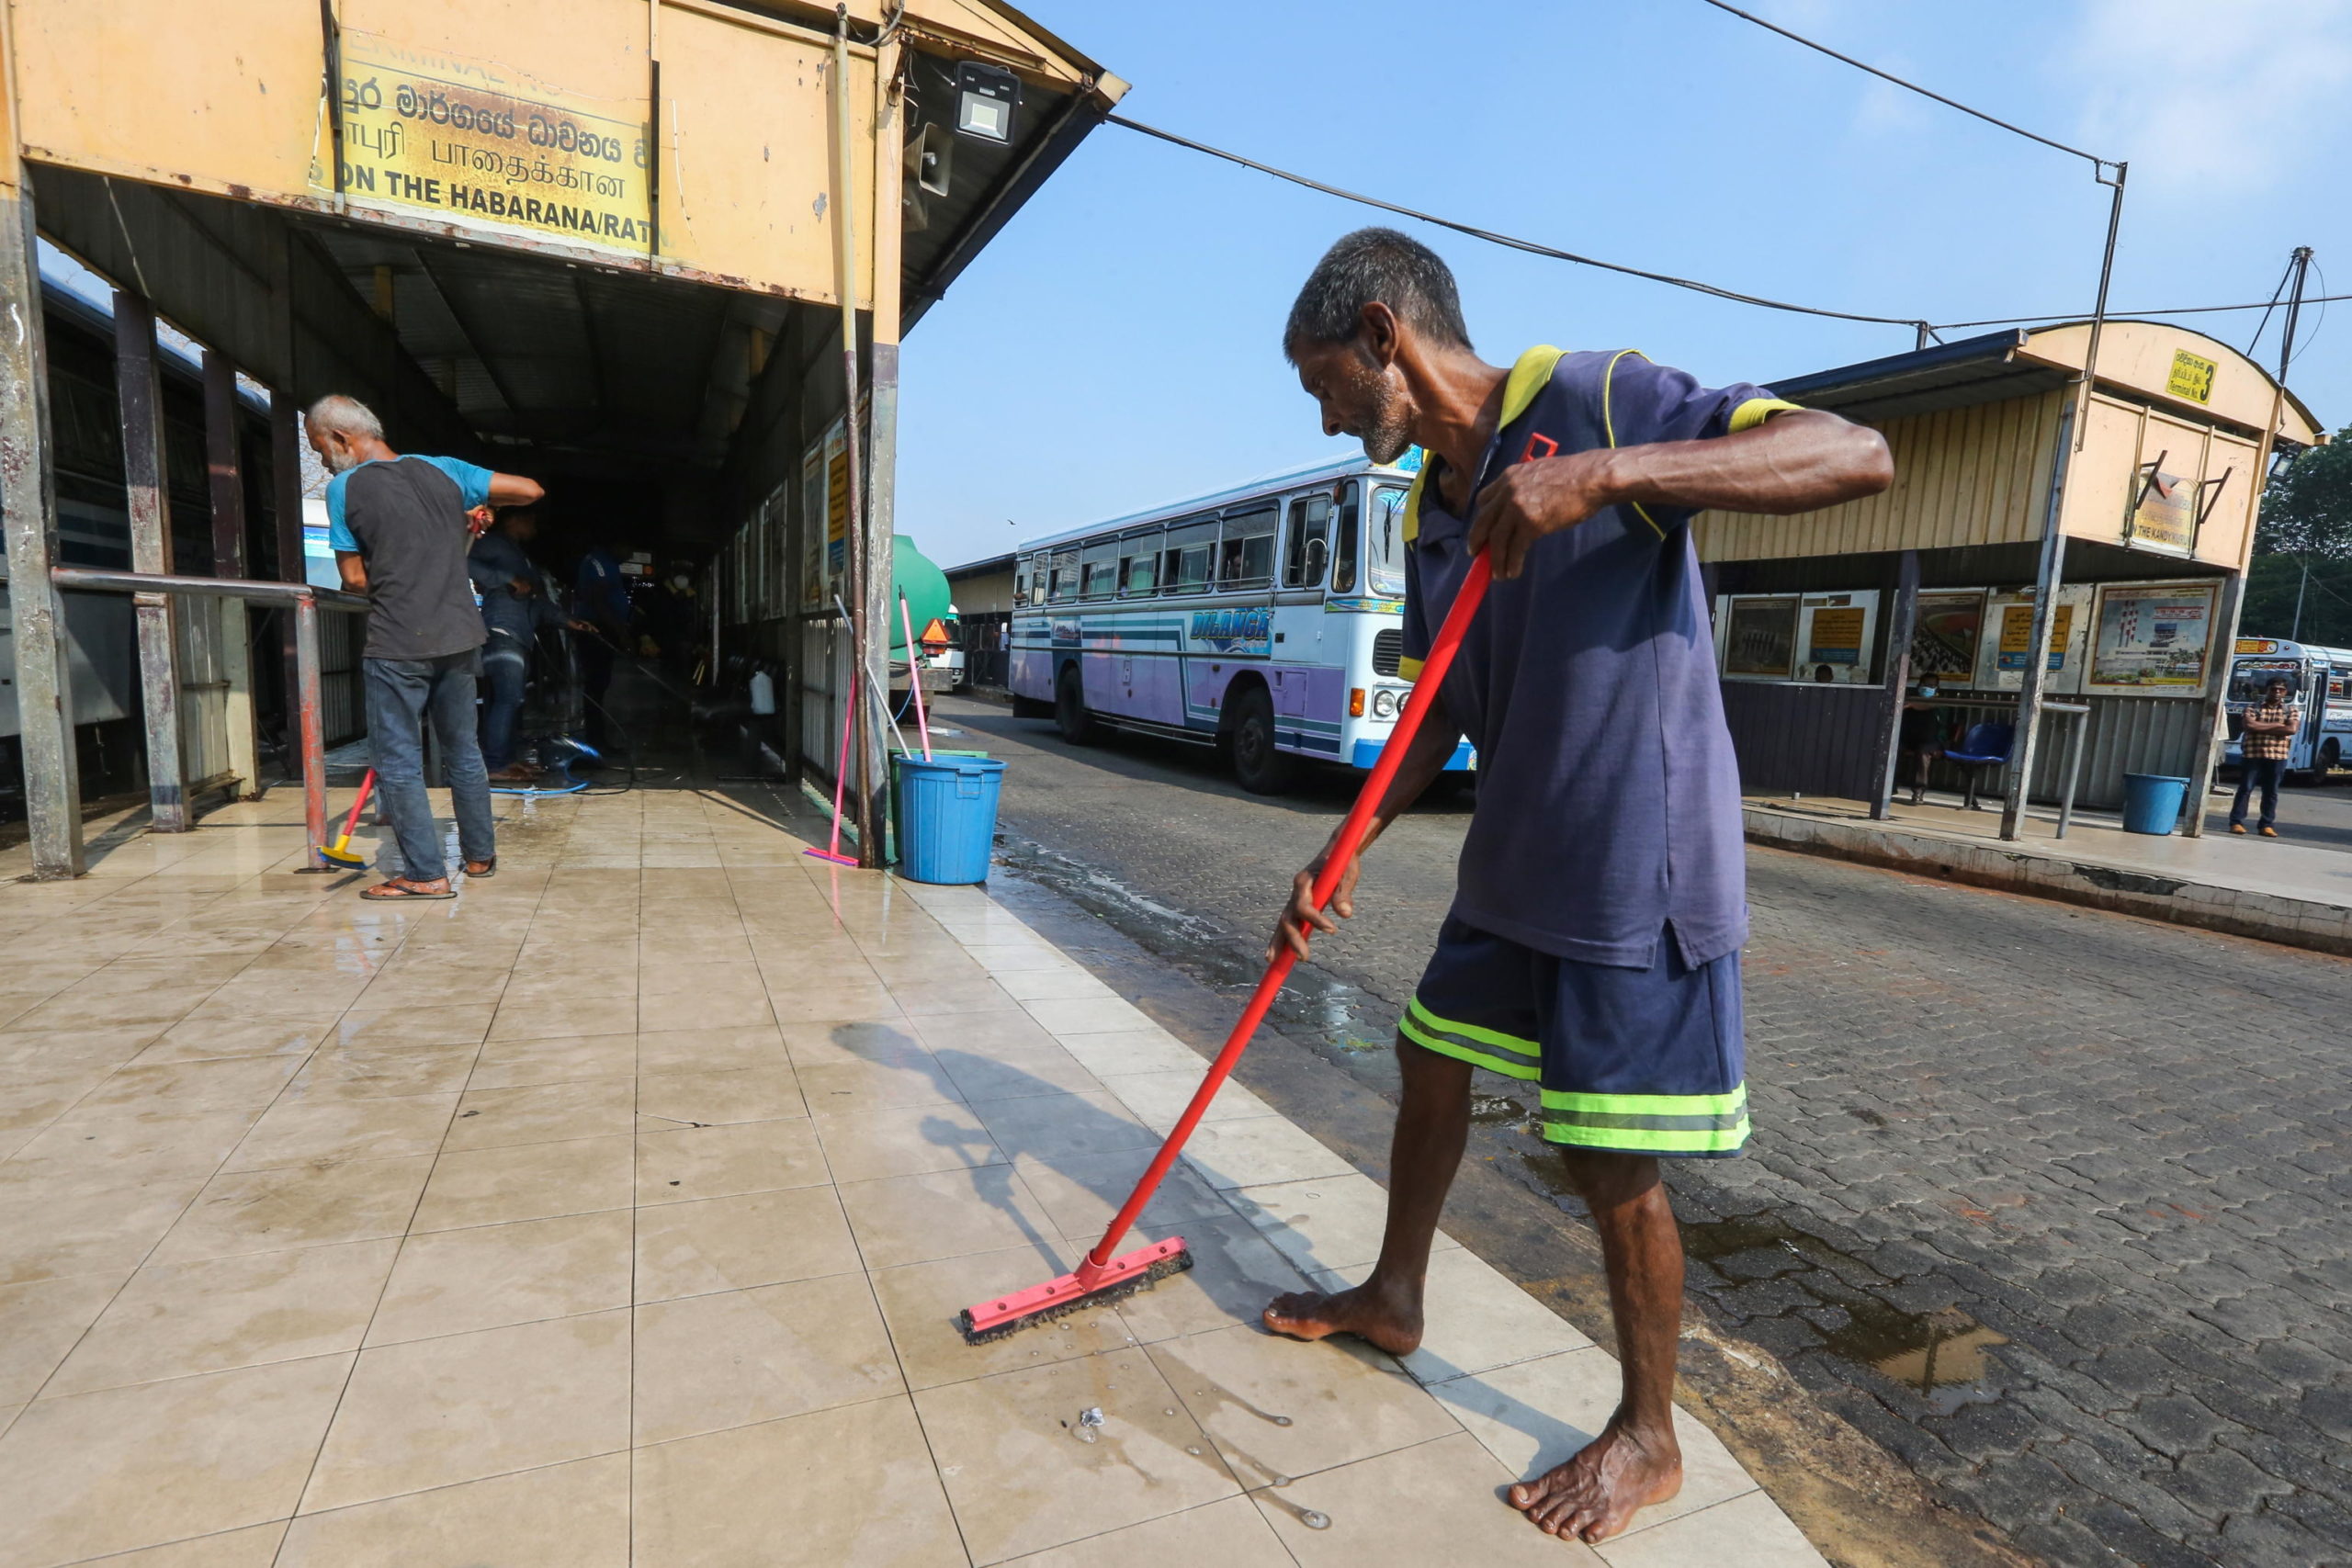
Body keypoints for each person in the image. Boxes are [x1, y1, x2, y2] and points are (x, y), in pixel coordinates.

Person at [1260, 230, 1892, 1545]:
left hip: (1632, 865)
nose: (1324, 415)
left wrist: (1605, 477)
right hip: (1514, 860)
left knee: (1606, 1152)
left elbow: (1855, 452)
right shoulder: (1434, 505)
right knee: (1429, 1053)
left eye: (1326, 382)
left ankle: (1651, 1432)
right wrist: (1349, 840)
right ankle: (1394, 1291)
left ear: (1387, 335)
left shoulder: (1596, 400)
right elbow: (1437, 704)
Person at [311, 394, 544, 897]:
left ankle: (425, 875)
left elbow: (353, 578)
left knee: (397, 761)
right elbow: (529, 489)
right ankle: (479, 857)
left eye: (320, 448)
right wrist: (477, 508)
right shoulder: (445, 471)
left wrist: (398, 569)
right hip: (460, 637)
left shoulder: (345, 487)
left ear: (343, 439)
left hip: (397, 641)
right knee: (463, 750)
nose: (322, 460)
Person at [468, 506, 554, 783]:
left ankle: (507, 760)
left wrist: (567, 620)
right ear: (516, 520)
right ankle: (494, 764)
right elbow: (463, 561)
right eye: (531, 522)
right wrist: (507, 579)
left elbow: (537, 600)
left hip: (520, 633)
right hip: (502, 631)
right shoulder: (493, 543)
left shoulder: (517, 552)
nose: (535, 530)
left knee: (510, 700)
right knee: (509, 698)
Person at [573, 532, 631, 751]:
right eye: (629, 548)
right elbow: (598, 599)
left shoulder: (608, 563)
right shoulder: (599, 562)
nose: (630, 554)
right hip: (596, 629)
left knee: (600, 683)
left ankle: (597, 737)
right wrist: (619, 632)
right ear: (617, 544)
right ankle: (596, 740)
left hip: (603, 628)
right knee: (596, 685)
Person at [2231, 676, 2301, 838]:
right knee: (2245, 789)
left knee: (2271, 792)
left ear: (2285, 692)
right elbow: (2249, 725)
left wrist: (2260, 727)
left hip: (2278, 756)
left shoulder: (2291, 710)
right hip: (2253, 754)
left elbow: (2291, 730)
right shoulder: (2252, 707)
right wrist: (2278, 726)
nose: (2277, 692)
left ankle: (2266, 825)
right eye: (2273, 689)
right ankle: (2236, 822)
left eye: (2280, 690)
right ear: (2266, 690)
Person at [1896, 682, 1946, 806]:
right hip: (1909, 739)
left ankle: (1918, 791)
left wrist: (1911, 704)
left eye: (1931, 685)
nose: (1926, 688)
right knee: (1891, 748)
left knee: (1923, 753)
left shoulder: (1942, 704)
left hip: (1932, 743)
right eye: (1924, 684)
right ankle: (1888, 787)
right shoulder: (1910, 703)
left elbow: (1929, 705)